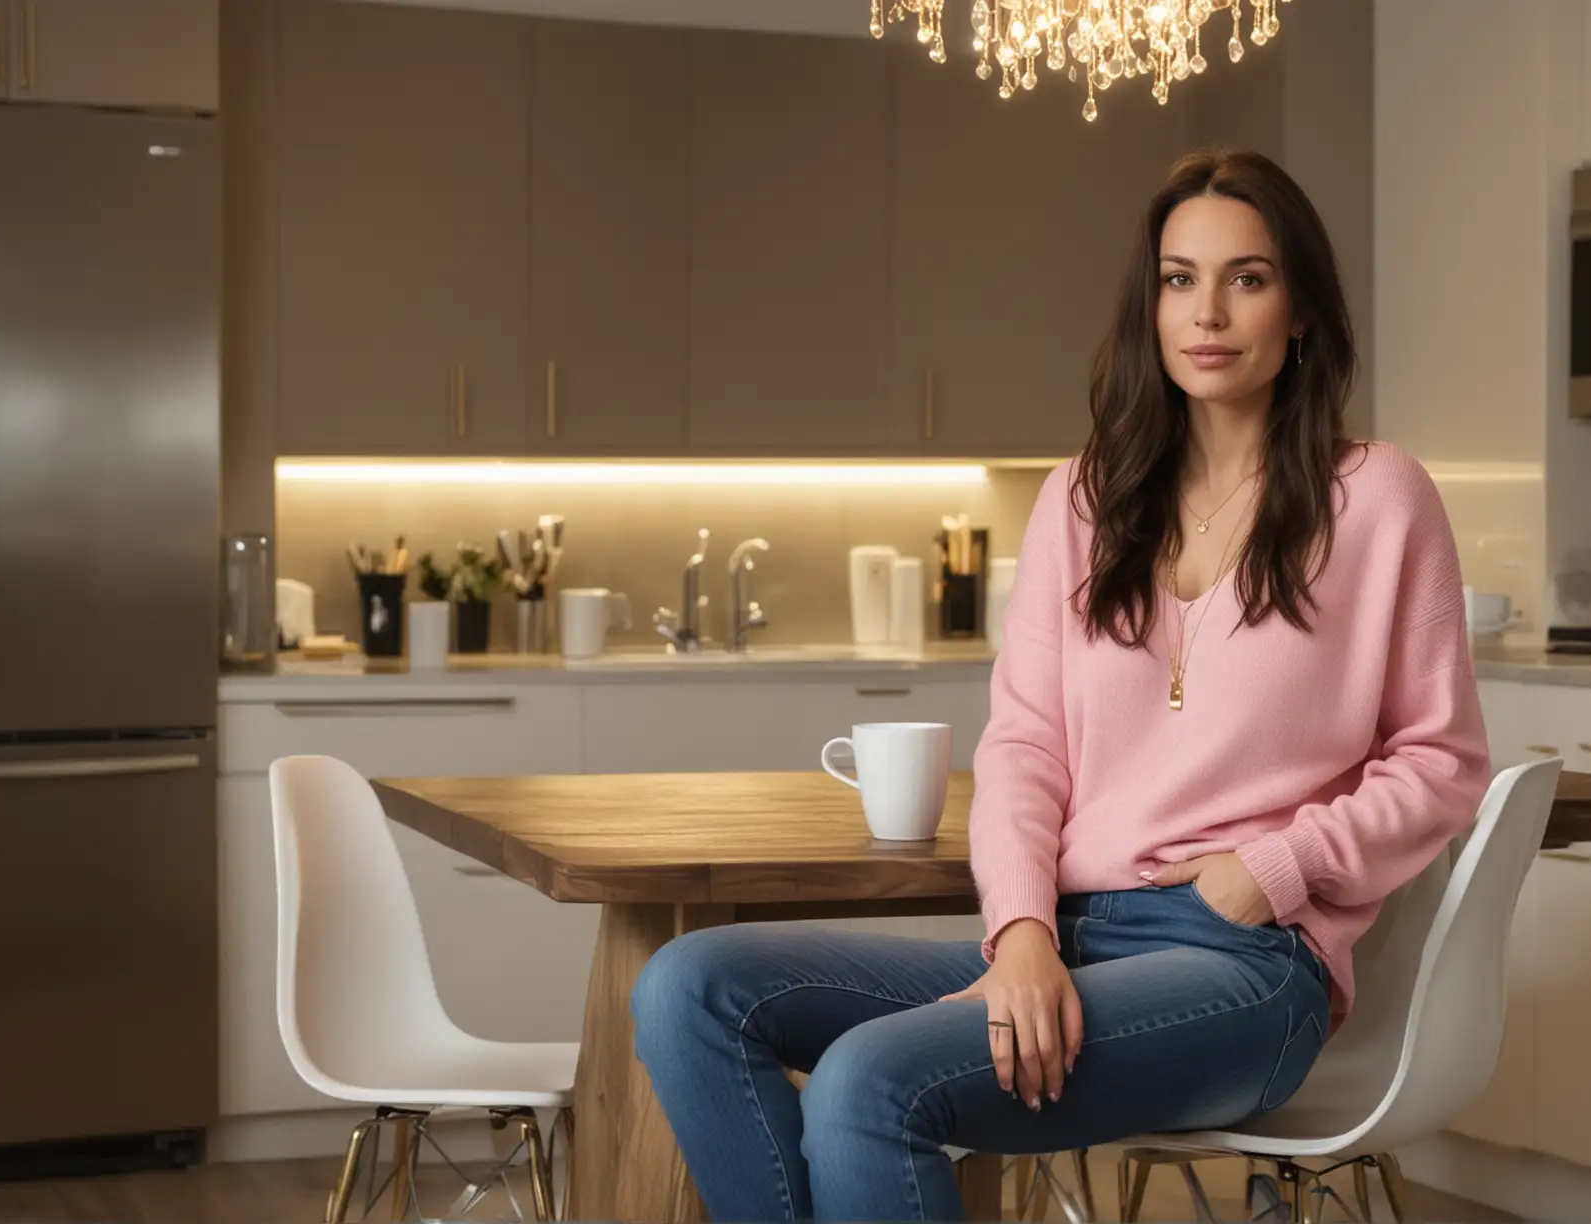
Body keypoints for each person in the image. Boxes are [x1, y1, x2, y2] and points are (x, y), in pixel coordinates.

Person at [629, 148, 1491, 1223]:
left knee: (866, 1083)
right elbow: (1025, 749)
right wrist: (1022, 936)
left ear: (1302, 308)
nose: (1208, 311)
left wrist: (1272, 868)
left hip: (1244, 966)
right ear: (1151, 304)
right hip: (1071, 935)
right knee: (690, 990)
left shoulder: (1377, 498)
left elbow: (1441, 762)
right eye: (1180, 279)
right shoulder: (1084, 500)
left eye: (1248, 278)